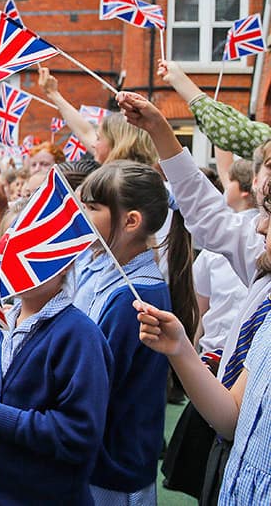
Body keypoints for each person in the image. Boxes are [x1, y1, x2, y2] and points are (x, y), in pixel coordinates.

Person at [119, 87, 271, 503]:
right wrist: (162, 132)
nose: (256, 226)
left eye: (269, 214)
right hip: (235, 460)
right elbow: (233, 419)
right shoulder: (263, 272)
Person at [75, 159, 196, 504]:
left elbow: (93, 386)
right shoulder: (105, 271)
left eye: (92, 207)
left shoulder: (135, 298)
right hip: (98, 458)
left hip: (113, 471)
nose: (79, 214)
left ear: (131, 221)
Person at [0, 268, 113, 505]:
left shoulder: (81, 336)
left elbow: (78, 436)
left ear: (64, 263)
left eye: (35, 248)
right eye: (13, 249)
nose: (21, 262)